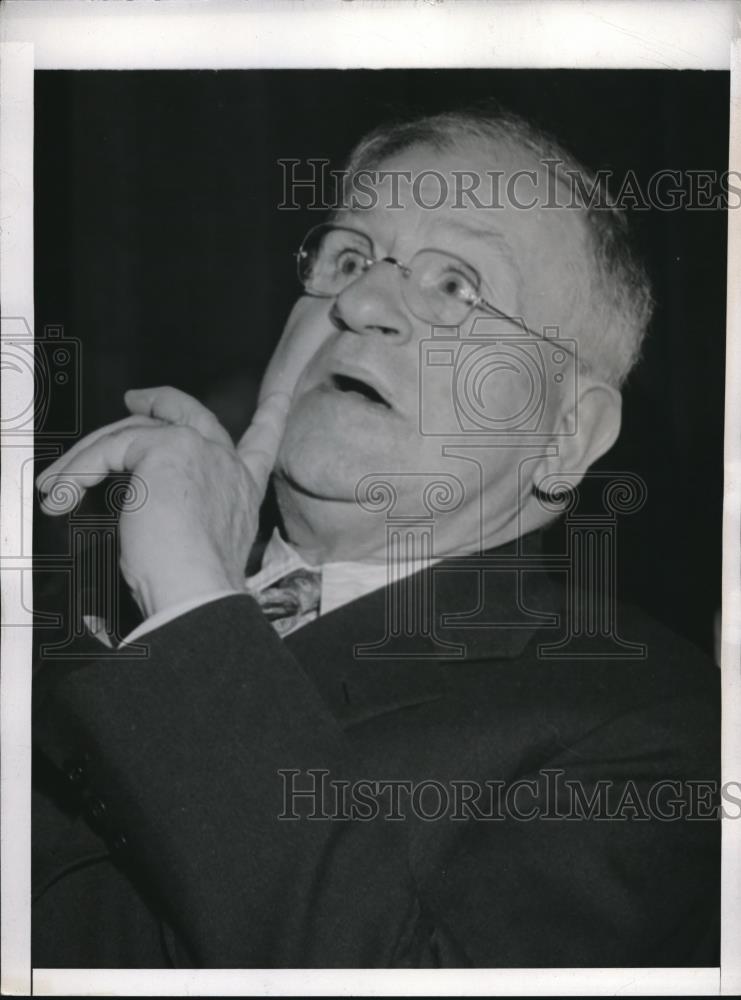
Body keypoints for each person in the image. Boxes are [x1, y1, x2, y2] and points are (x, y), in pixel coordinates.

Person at [31, 108, 720, 968]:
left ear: (566, 434)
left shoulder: (661, 727)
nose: (358, 302)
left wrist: (190, 601)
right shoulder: (57, 591)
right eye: (350, 257)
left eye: (456, 285)